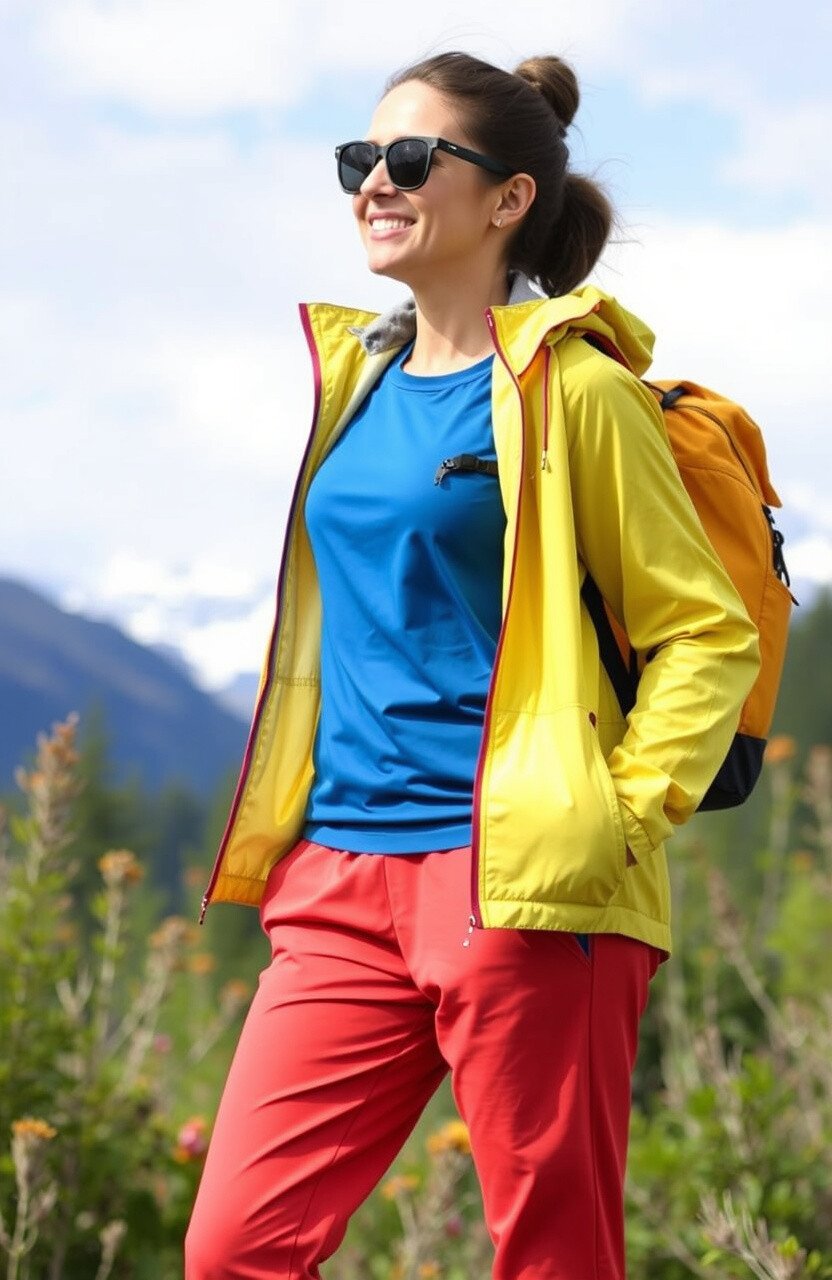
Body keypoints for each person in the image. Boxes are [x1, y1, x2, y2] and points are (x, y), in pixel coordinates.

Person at [185, 50, 760, 1280]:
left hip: (521, 886)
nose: (373, 183)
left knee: (553, 1258)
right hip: (338, 877)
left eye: (408, 158)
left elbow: (706, 630)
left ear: (508, 199)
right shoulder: (357, 382)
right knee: (234, 1247)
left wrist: (616, 816)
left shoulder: (578, 392)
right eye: (358, 159)